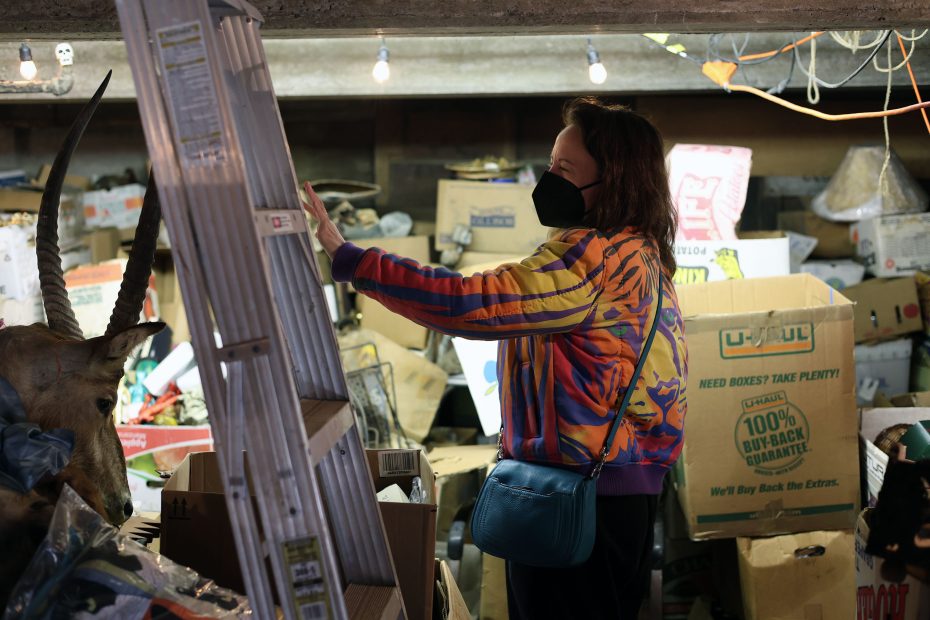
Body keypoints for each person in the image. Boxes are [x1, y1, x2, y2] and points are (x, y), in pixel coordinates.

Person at [304, 97, 688, 619]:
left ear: (613, 179)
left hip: (582, 501)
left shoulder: (593, 259)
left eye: (563, 169)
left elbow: (469, 302)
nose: (548, 178)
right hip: (615, 494)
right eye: (550, 164)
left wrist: (352, 259)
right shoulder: (641, 253)